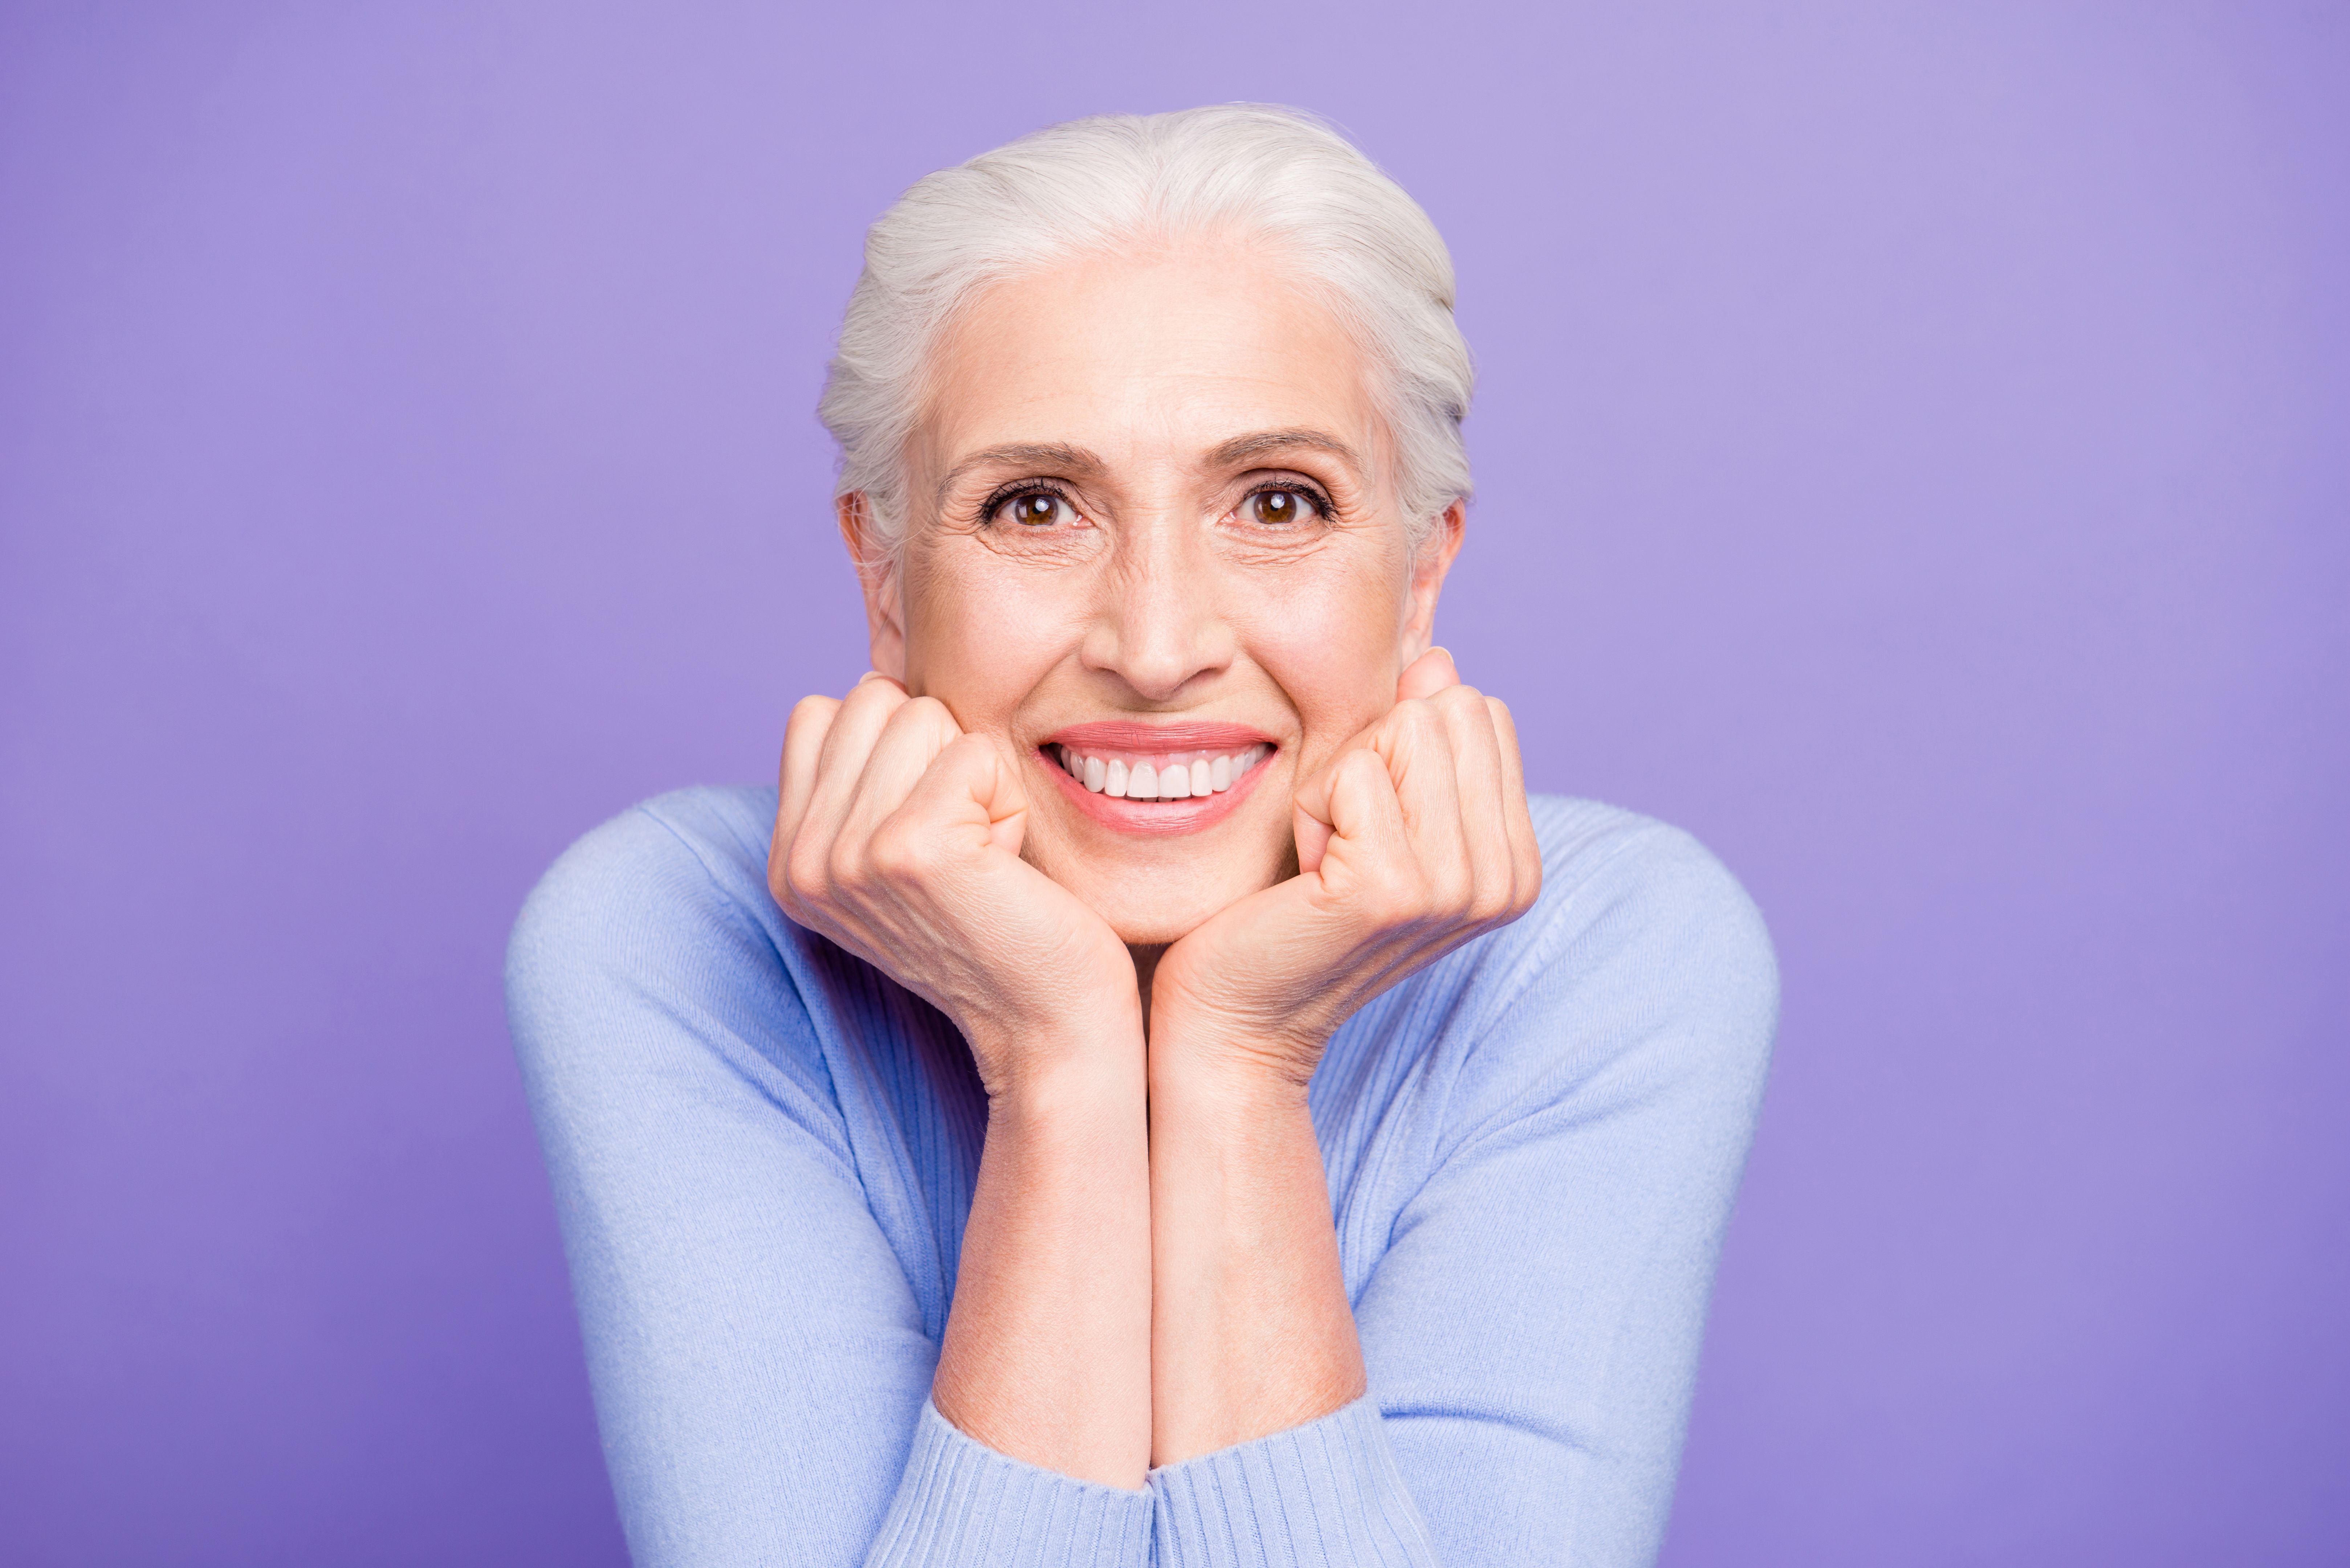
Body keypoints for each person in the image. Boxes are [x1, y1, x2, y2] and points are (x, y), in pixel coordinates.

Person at [506, 104, 1776, 1567]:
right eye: (1035, 506)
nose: (1158, 643)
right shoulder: (676, 934)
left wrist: (1236, 1066)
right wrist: (1056, 1062)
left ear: (1419, 577)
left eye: (1277, 501)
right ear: (885, 576)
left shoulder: (1605, 948)